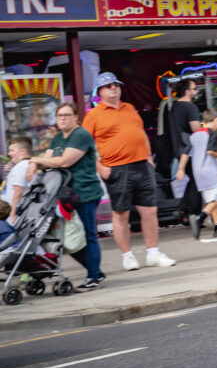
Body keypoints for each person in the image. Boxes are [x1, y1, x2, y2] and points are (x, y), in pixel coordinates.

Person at [82, 72, 175, 270]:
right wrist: (100, 168)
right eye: (108, 86)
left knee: (150, 210)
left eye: (116, 84)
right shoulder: (93, 116)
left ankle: (153, 253)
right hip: (116, 168)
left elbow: (140, 132)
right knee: (121, 214)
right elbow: (86, 147)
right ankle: (127, 256)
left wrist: (149, 156)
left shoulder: (130, 108)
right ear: (100, 91)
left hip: (142, 164)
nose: (113, 88)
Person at [27, 102, 105, 290]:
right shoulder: (57, 138)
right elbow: (47, 161)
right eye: (60, 115)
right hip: (64, 196)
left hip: (84, 193)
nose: (62, 118)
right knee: (67, 239)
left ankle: (94, 276)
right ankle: (95, 270)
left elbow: (64, 161)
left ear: (76, 117)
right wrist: (35, 163)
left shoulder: (81, 135)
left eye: (67, 115)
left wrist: (36, 160)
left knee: (88, 235)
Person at [185, 109, 217, 238]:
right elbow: (211, 152)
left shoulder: (194, 135)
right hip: (210, 170)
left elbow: (186, 153)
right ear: (216, 119)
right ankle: (200, 218)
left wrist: (180, 169)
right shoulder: (211, 133)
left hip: (198, 171)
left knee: (211, 198)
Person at [169, 79, 205, 236]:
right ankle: (189, 211)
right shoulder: (190, 107)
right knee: (197, 181)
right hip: (191, 148)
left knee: (193, 179)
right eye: (194, 88)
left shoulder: (173, 107)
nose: (196, 91)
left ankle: (185, 210)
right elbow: (196, 130)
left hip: (178, 147)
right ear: (187, 91)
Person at [0, 136, 32, 224]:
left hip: (12, 217)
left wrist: (13, 213)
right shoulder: (22, 166)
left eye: (12, 151)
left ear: (22, 152)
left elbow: (18, 192)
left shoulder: (21, 167)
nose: (9, 154)